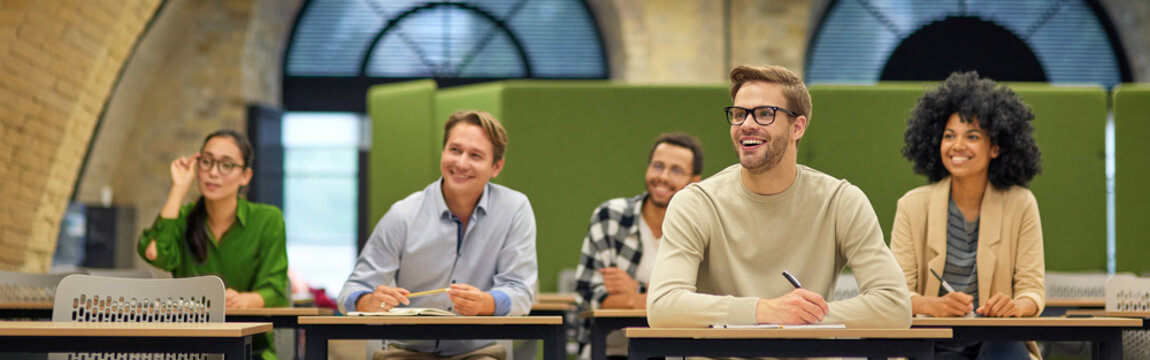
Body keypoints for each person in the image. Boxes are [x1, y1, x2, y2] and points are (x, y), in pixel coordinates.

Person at [646, 65, 911, 329]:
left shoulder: (841, 202)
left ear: (797, 127)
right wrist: (764, 310)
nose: (746, 125)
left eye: (764, 114)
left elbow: (895, 307)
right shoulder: (695, 203)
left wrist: (800, 316)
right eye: (739, 114)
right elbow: (663, 307)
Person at [338, 110, 537, 360]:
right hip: (407, 350)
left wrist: (484, 303)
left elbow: (520, 292)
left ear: (496, 167)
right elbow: (350, 292)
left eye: (475, 155)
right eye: (455, 150)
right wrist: (367, 302)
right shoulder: (403, 214)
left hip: (478, 352)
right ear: (443, 152)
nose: (461, 163)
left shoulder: (514, 209)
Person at [890, 71, 1044, 360]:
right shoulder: (912, 206)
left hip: (997, 343)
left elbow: (1032, 289)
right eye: (949, 136)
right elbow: (894, 293)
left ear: (996, 147)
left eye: (972, 136)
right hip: (932, 343)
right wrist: (931, 306)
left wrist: (1015, 307)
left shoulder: (1021, 204)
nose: (957, 146)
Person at [138, 129, 288, 360]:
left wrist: (244, 300)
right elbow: (155, 252)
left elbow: (276, 290)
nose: (213, 173)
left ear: (245, 176)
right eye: (206, 162)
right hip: (189, 349)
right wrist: (178, 189)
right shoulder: (182, 218)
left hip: (251, 349)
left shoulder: (268, 219)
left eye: (226, 165)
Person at [574, 132, 704, 358]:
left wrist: (634, 292)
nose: (663, 177)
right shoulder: (610, 217)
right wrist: (662, 299)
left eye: (676, 170)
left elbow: (700, 305)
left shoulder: (700, 228)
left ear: (694, 182)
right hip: (611, 350)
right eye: (657, 166)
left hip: (677, 352)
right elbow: (589, 297)